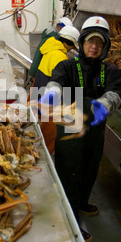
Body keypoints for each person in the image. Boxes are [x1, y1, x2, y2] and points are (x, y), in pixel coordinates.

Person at [39, 16, 121, 242]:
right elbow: (56, 80)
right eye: (89, 41)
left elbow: (116, 93)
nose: (93, 46)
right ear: (82, 42)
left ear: (105, 46)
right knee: (70, 170)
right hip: (70, 126)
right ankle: (71, 220)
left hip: (95, 127)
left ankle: (83, 202)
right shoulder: (67, 65)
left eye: (99, 42)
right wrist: (53, 92)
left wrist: (105, 104)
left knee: (90, 166)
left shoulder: (110, 70)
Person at [31, 25, 80, 155]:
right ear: (70, 44)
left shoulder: (50, 48)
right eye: (73, 46)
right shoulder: (60, 58)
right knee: (50, 132)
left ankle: (39, 149)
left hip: (39, 91)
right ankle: (44, 157)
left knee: (42, 127)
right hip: (50, 102)